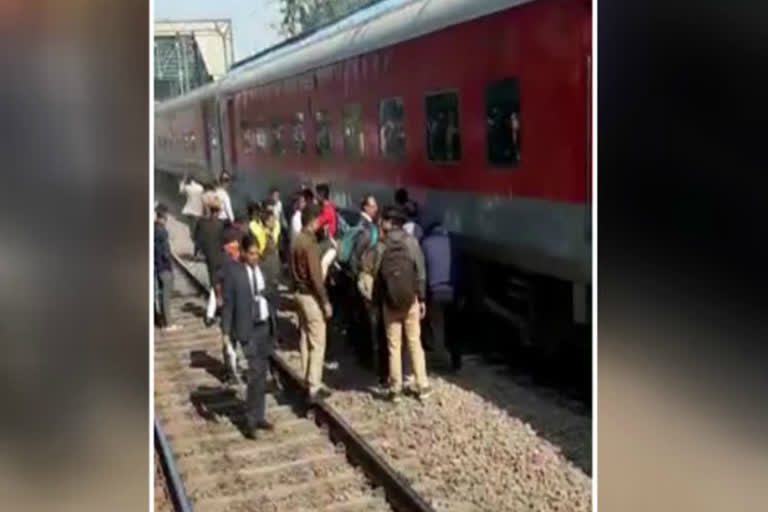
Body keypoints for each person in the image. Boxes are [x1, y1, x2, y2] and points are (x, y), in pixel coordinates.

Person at [374, 205, 431, 402]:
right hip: (411, 300)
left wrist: (378, 301)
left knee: (393, 346)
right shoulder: (411, 242)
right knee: (415, 342)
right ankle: (422, 385)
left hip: (389, 303)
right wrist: (421, 298)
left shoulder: (381, 245)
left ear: (390, 223)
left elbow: (376, 274)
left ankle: (396, 388)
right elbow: (421, 272)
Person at [221, 234, 275, 438]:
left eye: (256, 254)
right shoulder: (233, 273)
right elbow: (228, 305)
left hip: (263, 326)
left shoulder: (261, 270)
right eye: (251, 254)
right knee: (253, 374)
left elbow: (270, 293)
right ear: (242, 253)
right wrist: (226, 333)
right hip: (246, 328)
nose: (254, 257)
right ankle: (250, 421)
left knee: (262, 374)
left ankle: (260, 416)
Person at [290, 203, 333, 404]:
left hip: (297, 293)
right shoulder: (310, 245)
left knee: (305, 338)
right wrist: (325, 301)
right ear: (314, 221)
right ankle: (314, 386)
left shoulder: (296, 240)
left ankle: (307, 380)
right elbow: (316, 278)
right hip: (310, 296)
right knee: (318, 341)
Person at [421, 221, 459, 371]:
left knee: (437, 323)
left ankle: (440, 357)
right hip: (452, 289)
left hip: (435, 291)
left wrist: (423, 295)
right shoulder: (452, 244)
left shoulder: (426, 243)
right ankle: (456, 361)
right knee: (453, 325)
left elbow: (423, 271)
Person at [194, 198, 225, 326]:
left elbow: (196, 239)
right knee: (216, 286)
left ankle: (212, 313)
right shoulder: (221, 224)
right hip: (220, 258)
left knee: (214, 285)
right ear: (218, 211)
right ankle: (211, 314)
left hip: (209, 258)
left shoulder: (202, 223)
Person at [155, 205, 181, 332]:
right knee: (166, 294)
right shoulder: (162, 231)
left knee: (161, 294)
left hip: (157, 265)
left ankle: (164, 319)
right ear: (164, 216)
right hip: (164, 266)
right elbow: (165, 251)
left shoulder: (154, 228)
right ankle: (168, 324)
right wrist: (169, 262)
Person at [179, 175, 204, 245]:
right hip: (198, 211)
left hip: (189, 210)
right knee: (197, 228)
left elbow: (181, 191)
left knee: (191, 227)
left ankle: (193, 239)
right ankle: (196, 242)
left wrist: (182, 182)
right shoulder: (200, 188)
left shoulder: (188, 187)